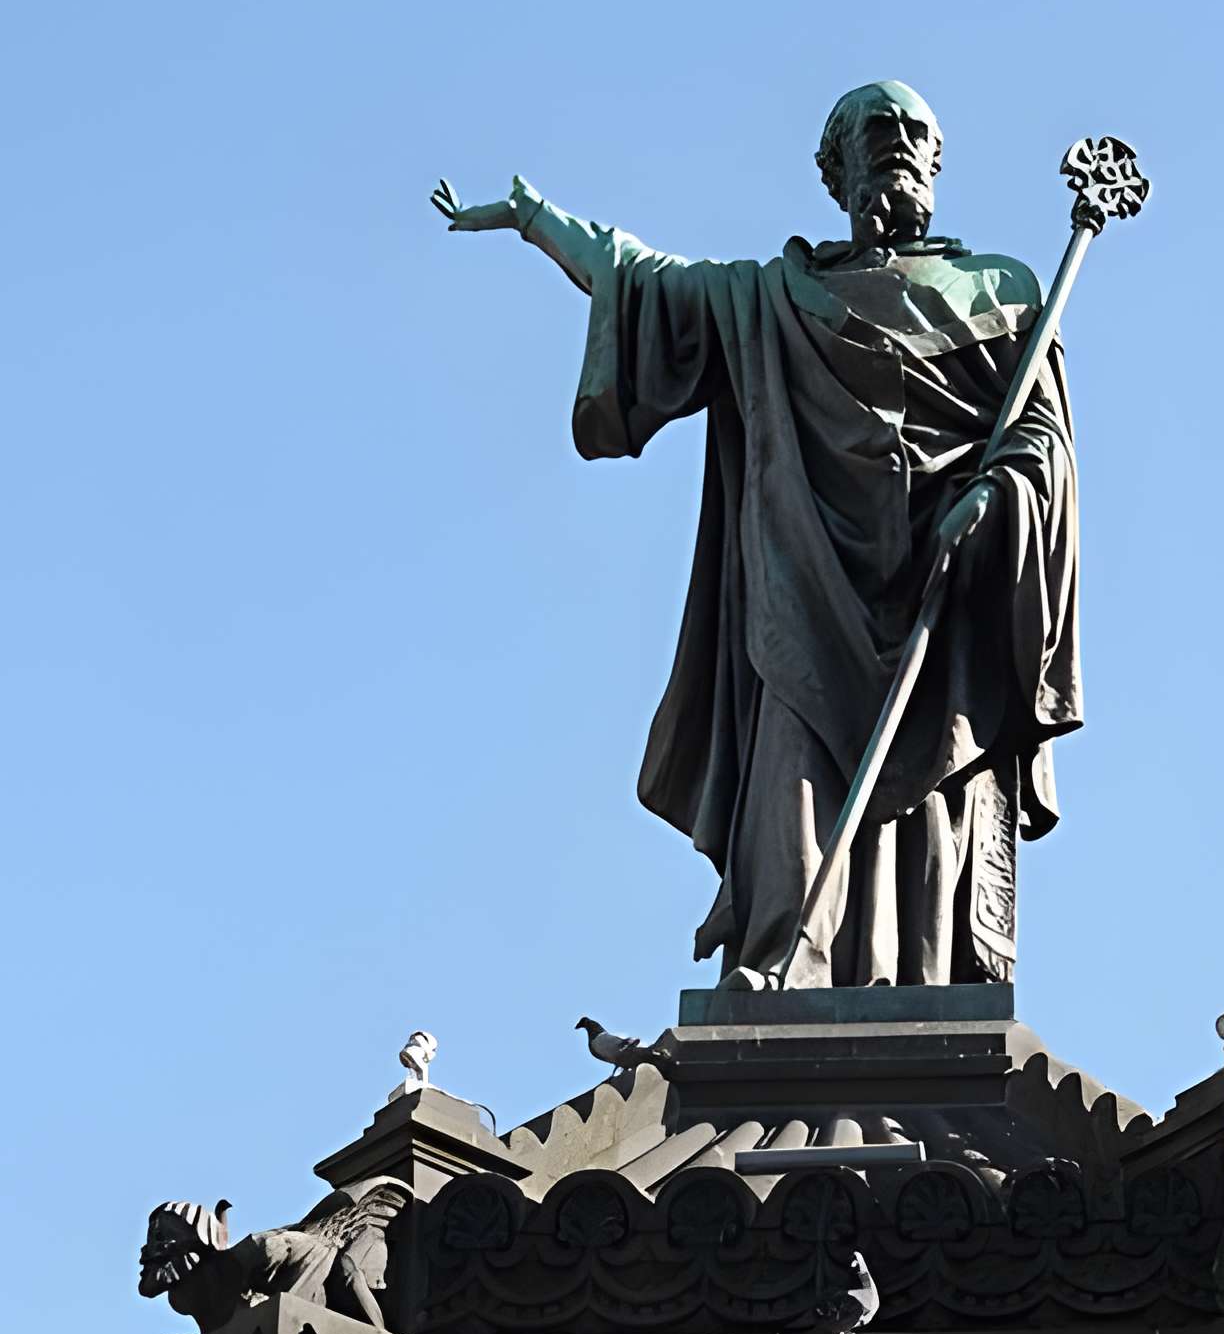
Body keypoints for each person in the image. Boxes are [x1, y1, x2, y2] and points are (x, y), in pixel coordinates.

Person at [435, 79, 1082, 989]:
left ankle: (925, 990)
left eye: (916, 131)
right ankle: (786, 968)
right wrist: (537, 220)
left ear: (937, 161)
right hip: (806, 586)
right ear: (836, 169)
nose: (899, 142)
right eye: (878, 129)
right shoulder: (776, 300)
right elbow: (647, 281)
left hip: (948, 597)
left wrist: (1002, 495)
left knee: (936, 802)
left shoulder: (1002, 291)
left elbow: (1040, 436)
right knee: (792, 781)